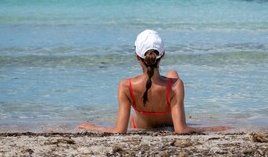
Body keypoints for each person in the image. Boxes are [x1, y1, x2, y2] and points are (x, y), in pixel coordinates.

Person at [77, 29, 230, 133]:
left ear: (137, 56)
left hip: (140, 125)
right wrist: (212, 128)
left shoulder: (126, 86)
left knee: (171, 75)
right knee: (172, 75)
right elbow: (181, 130)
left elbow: (119, 131)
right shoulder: (176, 86)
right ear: (162, 55)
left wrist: (94, 127)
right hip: (170, 120)